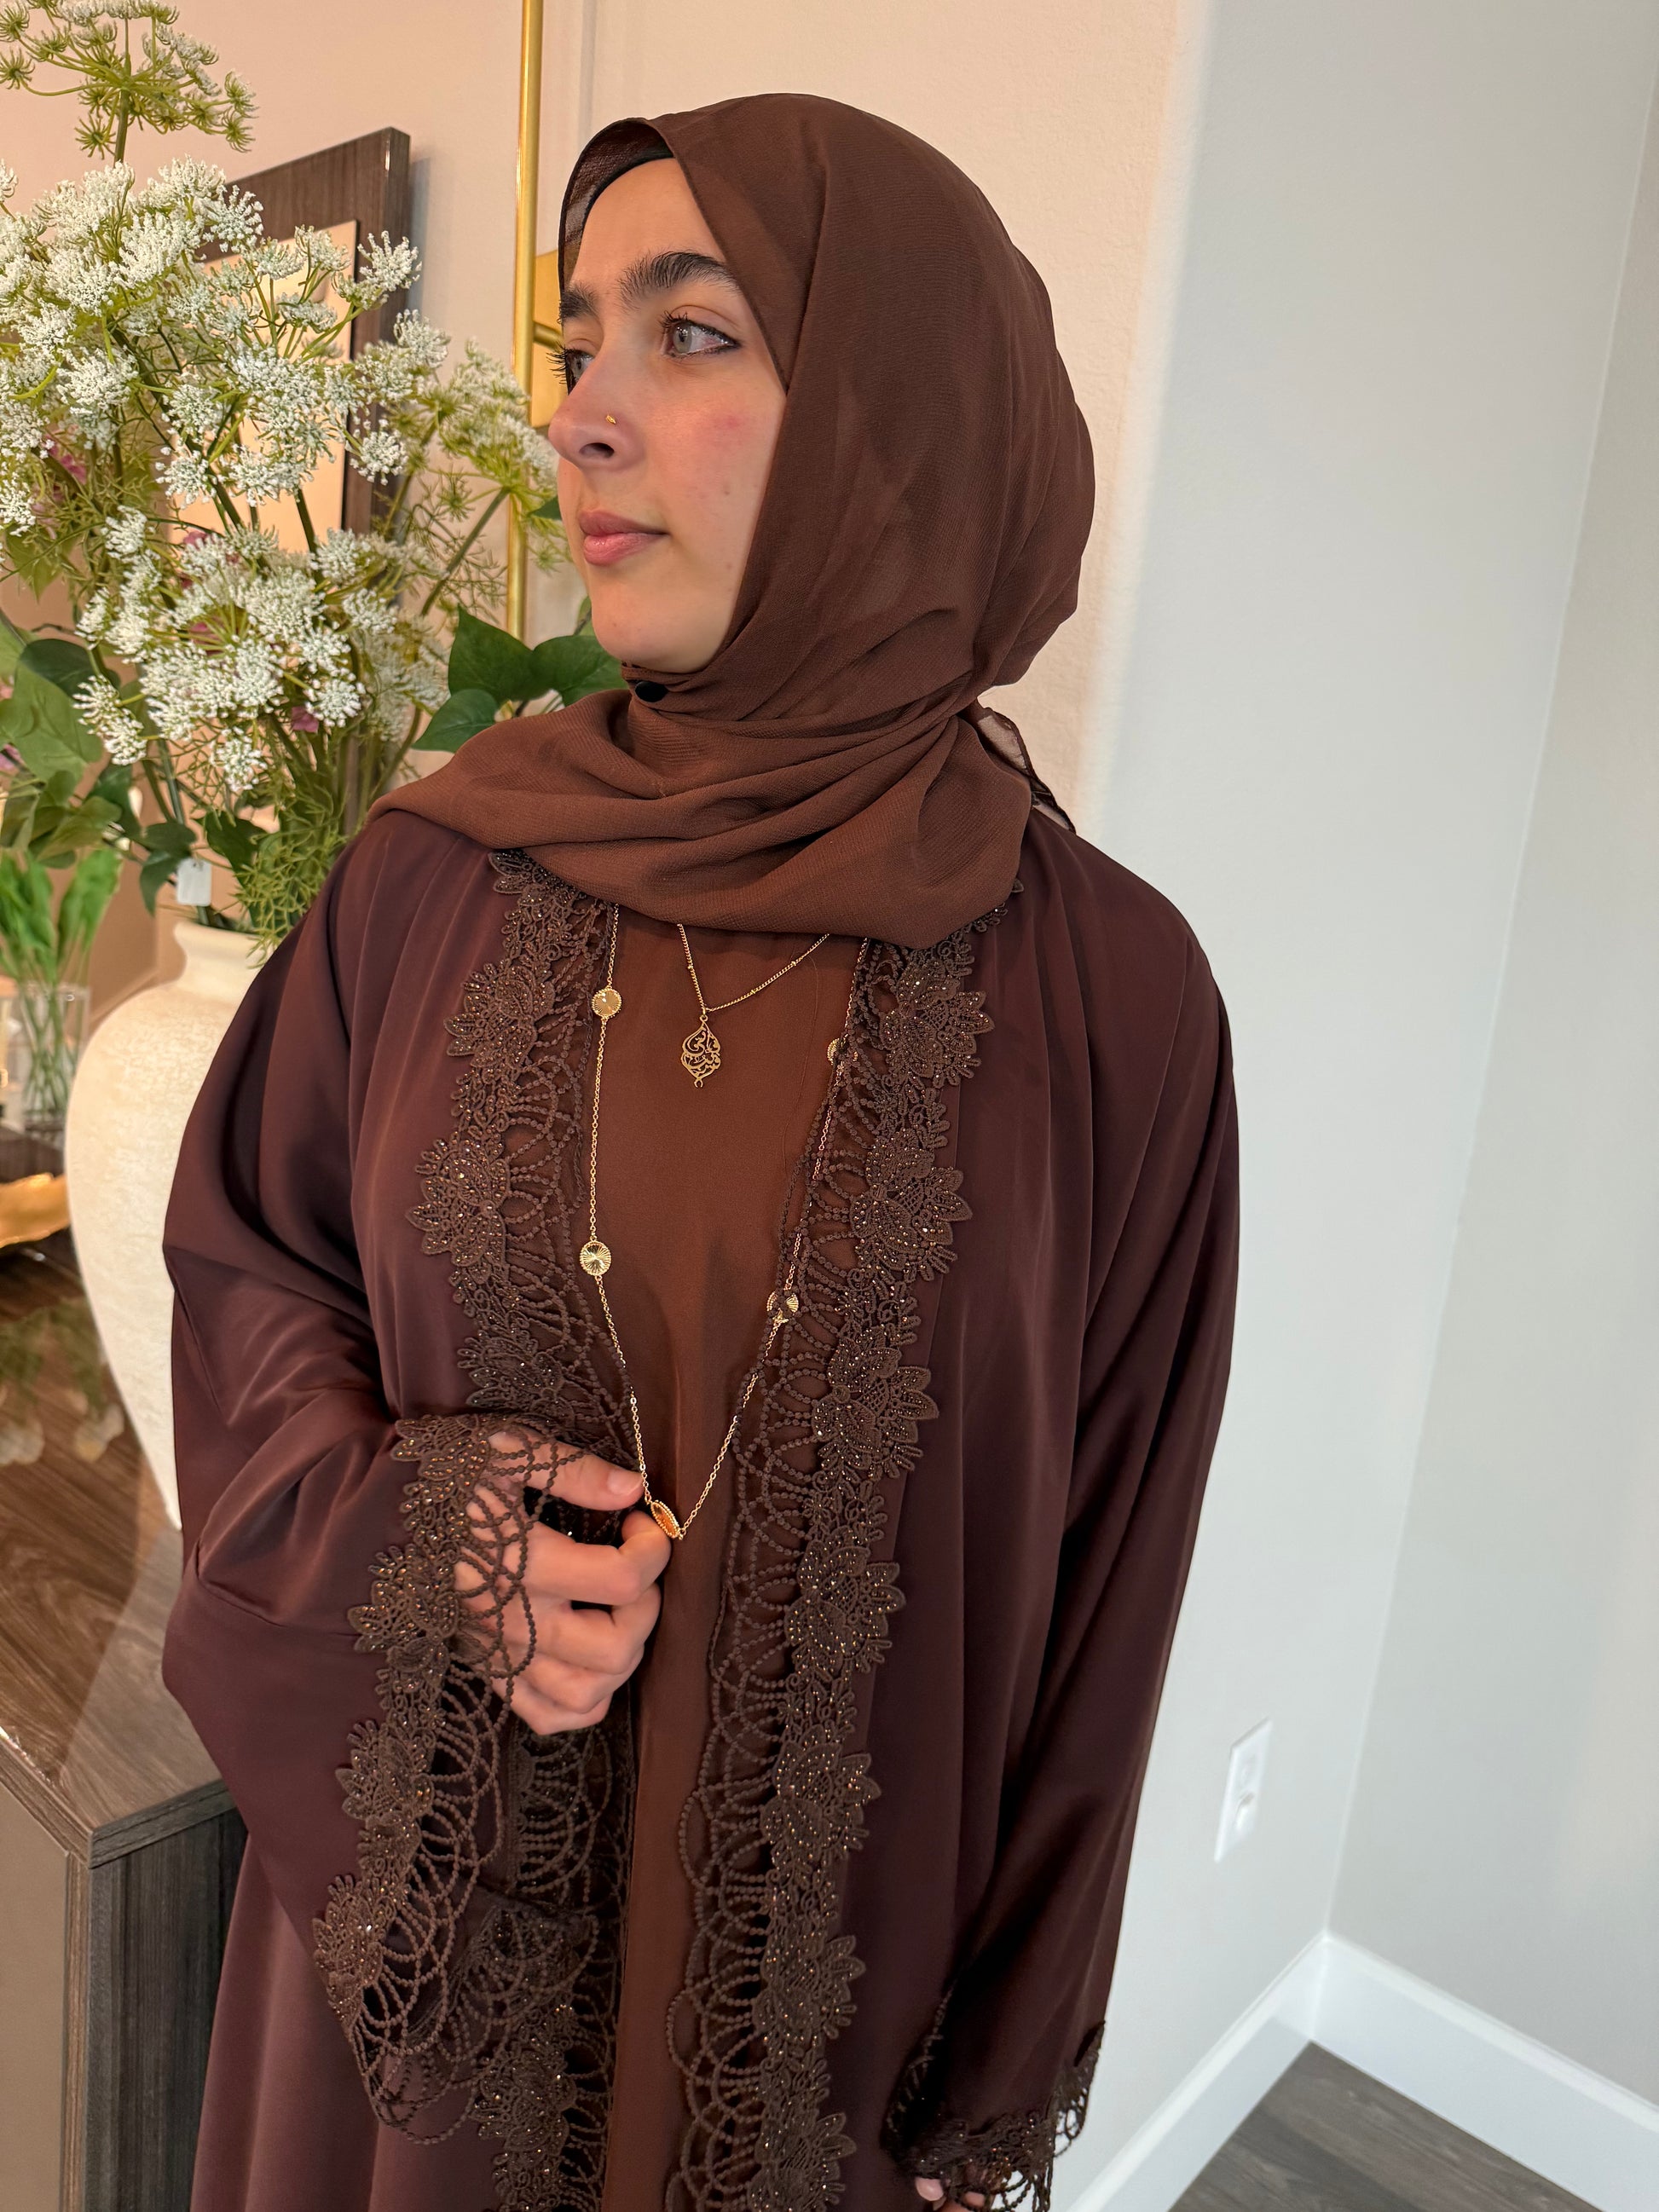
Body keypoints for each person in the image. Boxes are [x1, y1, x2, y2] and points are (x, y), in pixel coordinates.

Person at [160, 91, 1240, 2212]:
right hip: (417, 2033)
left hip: (824, 2057)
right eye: (583, 344)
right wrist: (429, 1545)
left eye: (693, 332)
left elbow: (1112, 1574)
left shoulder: (1114, 999)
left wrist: (993, 2085)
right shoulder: (427, 879)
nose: (582, 417)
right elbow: (249, 1277)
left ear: (902, 415)